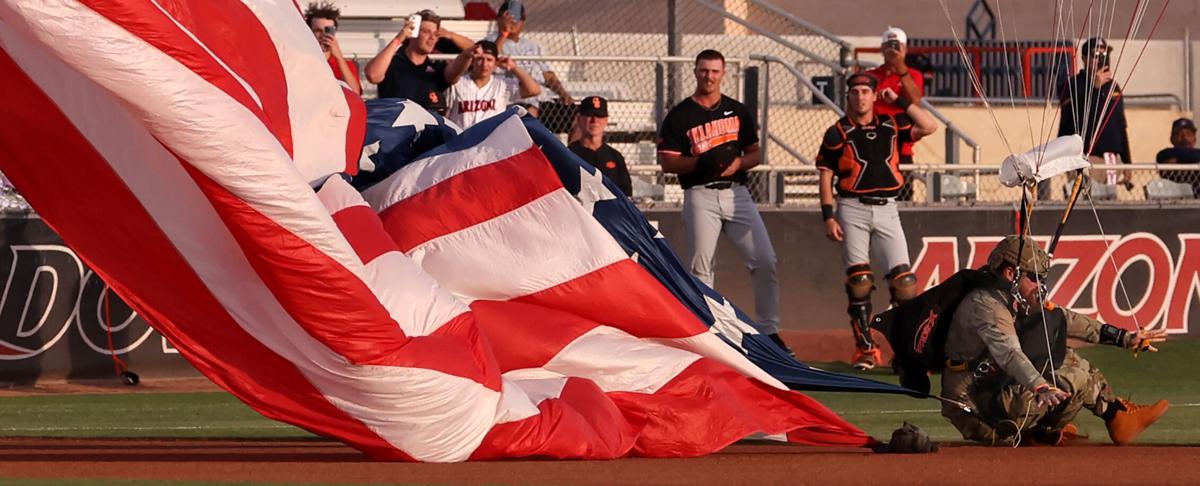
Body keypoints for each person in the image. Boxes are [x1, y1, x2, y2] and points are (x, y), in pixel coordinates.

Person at [940, 235, 1170, 446]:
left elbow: (1064, 318)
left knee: (1065, 355)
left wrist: (1124, 337)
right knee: (1073, 378)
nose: (1041, 286)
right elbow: (1009, 354)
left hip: (994, 385)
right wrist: (1040, 386)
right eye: (1035, 278)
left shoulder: (1011, 296)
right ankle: (1040, 432)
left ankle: (1114, 417)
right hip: (976, 407)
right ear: (1011, 273)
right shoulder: (988, 306)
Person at [657, 49, 791, 355]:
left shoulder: (738, 111)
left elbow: (756, 153)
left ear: (724, 73)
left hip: (737, 192)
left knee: (765, 259)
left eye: (715, 71)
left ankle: (770, 333)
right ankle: (707, 334)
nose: (709, 77)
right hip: (700, 193)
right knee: (701, 267)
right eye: (704, 71)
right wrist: (701, 163)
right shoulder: (680, 115)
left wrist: (737, 164)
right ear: (695, 72)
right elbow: (667, 162)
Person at [817, 72, 937, 371]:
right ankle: (867, 349)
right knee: (859, 282)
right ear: (848, 97)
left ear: (874, 96)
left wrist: (899, 101)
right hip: (852, 206)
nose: (860, 97)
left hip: (887, 207)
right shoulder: (837, 132)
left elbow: (929, 125)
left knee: (905, 284)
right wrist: (828, 216)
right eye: (855, 92)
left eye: (865, 92)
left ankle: (906, 350)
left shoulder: (891, 125)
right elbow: (826, 174)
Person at [1048, 37, 1132, 200]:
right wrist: (1093, 88)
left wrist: (1128, 162)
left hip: (1110, 159)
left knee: (1109, 205)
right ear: (1085, 58)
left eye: (1104, 55)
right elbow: (1073, 115)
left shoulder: (1113, 88)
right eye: (1096, 55)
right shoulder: (1072, 85)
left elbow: (1120, 126)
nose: (1100, 59)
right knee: (1082, 202)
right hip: (1082, 158)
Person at [485, 2, 575, 132]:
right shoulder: (490, 42)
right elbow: (489, 59)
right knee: (530, 113)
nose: (514, 22)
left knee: (578, 115)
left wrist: (564, 94)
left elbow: (548, 75)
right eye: (510, 17)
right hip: (513, 99)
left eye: (518, 18)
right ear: (500, 18)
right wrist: (504, 33)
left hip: (541, 100)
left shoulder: (534, 46)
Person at [364, 10, 473, 109]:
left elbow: (475, 50)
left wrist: (450, 35)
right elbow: (373, 76)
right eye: (426, 32)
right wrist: (399, 39)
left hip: (426, 129)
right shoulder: (392, 62)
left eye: (436, 34)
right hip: (395, 127)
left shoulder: (437, 67)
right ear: (413, 33)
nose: (432, 37)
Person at [866, 26, 925, 201]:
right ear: (882, 49)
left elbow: (915, 101)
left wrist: (901, 68)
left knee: (903, 194)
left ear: (905, 49)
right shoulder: (871, 76)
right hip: (874, 143)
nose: (893, 49)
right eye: (889, 45)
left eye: (897, 45)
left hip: (902, 145)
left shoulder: (912, 74)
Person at [445, 41, 540, 129]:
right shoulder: (458, 82)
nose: (484, 64)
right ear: (472, 61)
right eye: (480, 59)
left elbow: (533, 90)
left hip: (491, 142)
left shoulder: (502, 85)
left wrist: (513, 67)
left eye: (489, 60)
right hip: (462, 140)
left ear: (495, 63)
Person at [569, 96, 632, 197]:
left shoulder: (615, 157)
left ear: (606, 120)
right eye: (589, 115)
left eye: (600, 116)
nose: (594, 120)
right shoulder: (569, 155)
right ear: (579, 119)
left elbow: (626, 194)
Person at [304, 2, 361, 95]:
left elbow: (355, 93)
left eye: (328, 31)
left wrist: (339, 57)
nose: (323, 35)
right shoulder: (301, 61)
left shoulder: (345, 65)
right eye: (318, 31)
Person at [1156, 117, 1200, 196]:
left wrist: (1178, 159)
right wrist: (1193, 160)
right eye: (1179, 134)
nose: (1185, 138)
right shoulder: (1165, 154)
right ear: (1172, 139)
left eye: (1188, 134)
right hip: (1173, 202)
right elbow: (1163, 157)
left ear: (1194, 139)